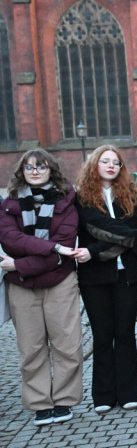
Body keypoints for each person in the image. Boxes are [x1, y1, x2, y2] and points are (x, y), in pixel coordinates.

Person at [0, 149, 84, 426]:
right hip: (22, 287)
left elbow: (66, 242)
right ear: (21, 172)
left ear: (52, 170)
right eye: (29, 167)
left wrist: (21, 264)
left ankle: (63, 401)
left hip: (59, 280)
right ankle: (39, 403)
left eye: (41, 166)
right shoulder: (9, 203)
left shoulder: (67, 200)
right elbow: (10, 240)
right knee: (31, 347)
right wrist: (53, 248)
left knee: (66, 344)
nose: (35, 171)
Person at [75, 145, 137, 414]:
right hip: (95, 278)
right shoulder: (82, 198)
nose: (111, 166)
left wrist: (93, 251)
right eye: (105, 161)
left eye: (116, 162)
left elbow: (132, 231)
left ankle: (129, 392)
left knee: (125, 333)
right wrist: (133, 239)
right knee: (102, 335)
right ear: (94, 165)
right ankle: (103, 395)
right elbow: (99, 229)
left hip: (128, 274)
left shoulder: (130, 195)